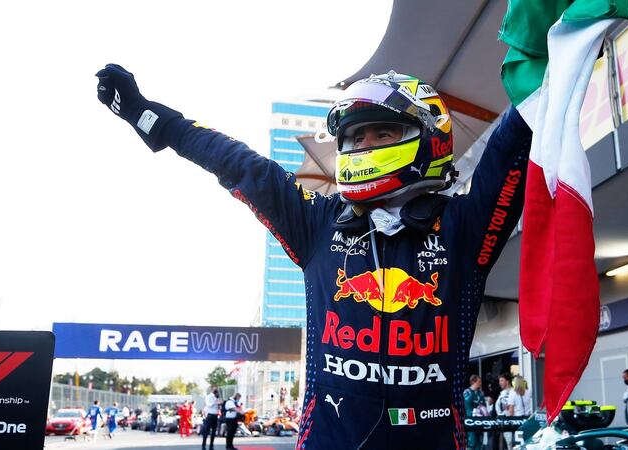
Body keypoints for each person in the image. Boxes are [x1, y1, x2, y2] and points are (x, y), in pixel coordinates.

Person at [95, 62, 531, 449]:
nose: (364, 145)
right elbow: (239, 164)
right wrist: (150, 117)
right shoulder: (318, 222)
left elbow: (515, 134)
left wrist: (547, 53)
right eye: (355, 137)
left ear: (429, 137)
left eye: (382, 132)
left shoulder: (463, 227)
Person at [464, 375, 485, 450]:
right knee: (472, 442)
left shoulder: (480, 392)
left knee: (480, 441)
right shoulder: (467, 392)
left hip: (480, 420)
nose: (480, 383)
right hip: (470, 420)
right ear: (473, 382)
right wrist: (473, 392)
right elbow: (467, 402)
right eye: (479, 382)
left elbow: (483, 404)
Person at [495, 374, 513, 449]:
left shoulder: (512, 392)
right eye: (500, 381)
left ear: (507, 381)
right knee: (507, 444)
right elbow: (498, 406)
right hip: (503, 422)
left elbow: (509, 406)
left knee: (510, 443)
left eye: (502, 380)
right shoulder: (502, 393)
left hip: (510, 422)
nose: (500, 383)